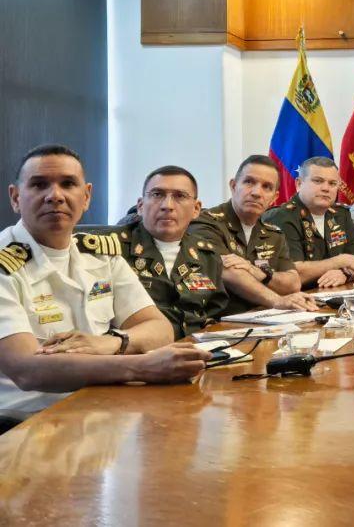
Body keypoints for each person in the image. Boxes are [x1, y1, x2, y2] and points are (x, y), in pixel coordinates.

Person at [0, 145, 205, 429]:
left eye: (68, 184)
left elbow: (159, 328)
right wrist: (142, 366)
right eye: (39, 184)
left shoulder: (100, 254)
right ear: (15, 197)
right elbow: (27, 370)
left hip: (101, 409)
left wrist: (112, 342)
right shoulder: (4, 264)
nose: (55, 195)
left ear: (86, 197)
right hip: (26, 424)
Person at [79, 166, 235, 339]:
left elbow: (214, 314)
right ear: (140, 206)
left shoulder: (207, 254)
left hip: (196, 348)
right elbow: (94, 316)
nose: (167, 205)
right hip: (134, 350)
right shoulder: (107, 250)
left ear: (196, 209)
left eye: (180, 196)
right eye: (157, 194)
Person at [191, 155, 318, 315]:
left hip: (263, 318)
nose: (257, 192)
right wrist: (278, 301)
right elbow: (231, 273)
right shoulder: (206, 224)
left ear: (274, 198)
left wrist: (257, 272)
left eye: (267, 187)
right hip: (218, 322)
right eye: (249, 182)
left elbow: (293, 283)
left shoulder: (273, 234)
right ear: (233, 186)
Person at [262, 157, 354, 289]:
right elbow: (293, 274)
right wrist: (340, 261)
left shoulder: (341, 214)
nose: (326, 188)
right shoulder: (281, 217)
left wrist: (344, 273)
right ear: (299, 184)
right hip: (296, 297)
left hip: (334, 293)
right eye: (318, 181)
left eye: (332, 183)